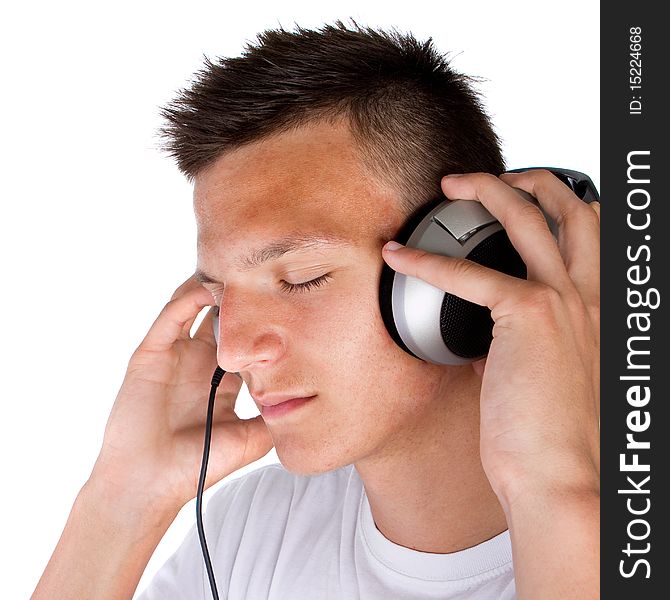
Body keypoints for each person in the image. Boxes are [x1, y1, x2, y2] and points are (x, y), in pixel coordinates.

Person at [32, 21, 600, 600]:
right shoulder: (250, 533)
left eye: (302, 277)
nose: (234, 351)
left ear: (477, 258)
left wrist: (556, 492)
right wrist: (123, 500)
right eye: (223, 294)